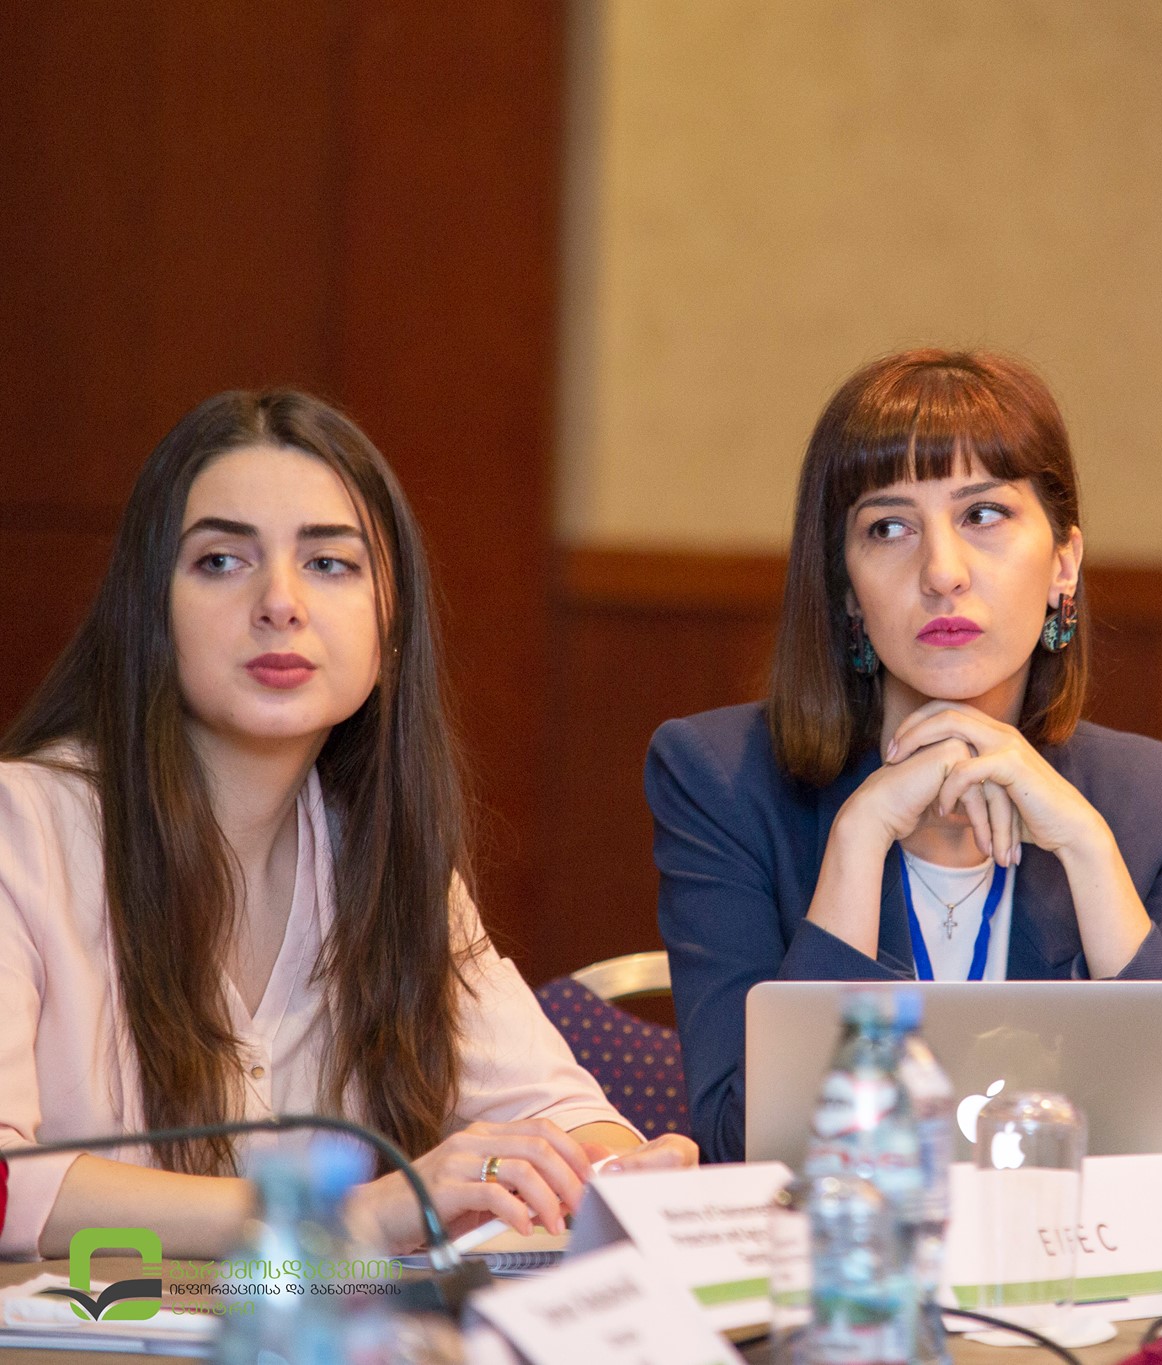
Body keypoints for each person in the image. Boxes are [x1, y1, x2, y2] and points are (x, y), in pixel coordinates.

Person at [0, 390, 696, 1260]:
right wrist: (344, 1216)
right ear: (148, 610)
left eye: (329, 563)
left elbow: (552, 1108)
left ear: (388, 624)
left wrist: (620, 1169)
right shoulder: (23, 826)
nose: (279, 602)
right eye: (221, 560)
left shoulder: (382, 857)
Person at [649, 348, 1162, 1163]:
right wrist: (858, 841)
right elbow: (741, 1146)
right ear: (847, 589)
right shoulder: (721, 779)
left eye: (984, 514)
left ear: (1063, 563)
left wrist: (1087, 848)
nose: (942, 572)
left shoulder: (1154, 800)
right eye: (889, 527)